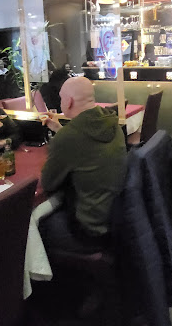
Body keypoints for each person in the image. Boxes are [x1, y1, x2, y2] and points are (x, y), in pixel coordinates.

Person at [39, 76, 127, 253]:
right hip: (116, 219)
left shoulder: (69, 137)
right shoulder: (111, 122)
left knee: (32, 227)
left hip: (89, 230)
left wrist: (61, 137)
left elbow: (48, 184)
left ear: (69, 102)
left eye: (61, 98)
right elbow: (85, 145)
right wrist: (59, 130)